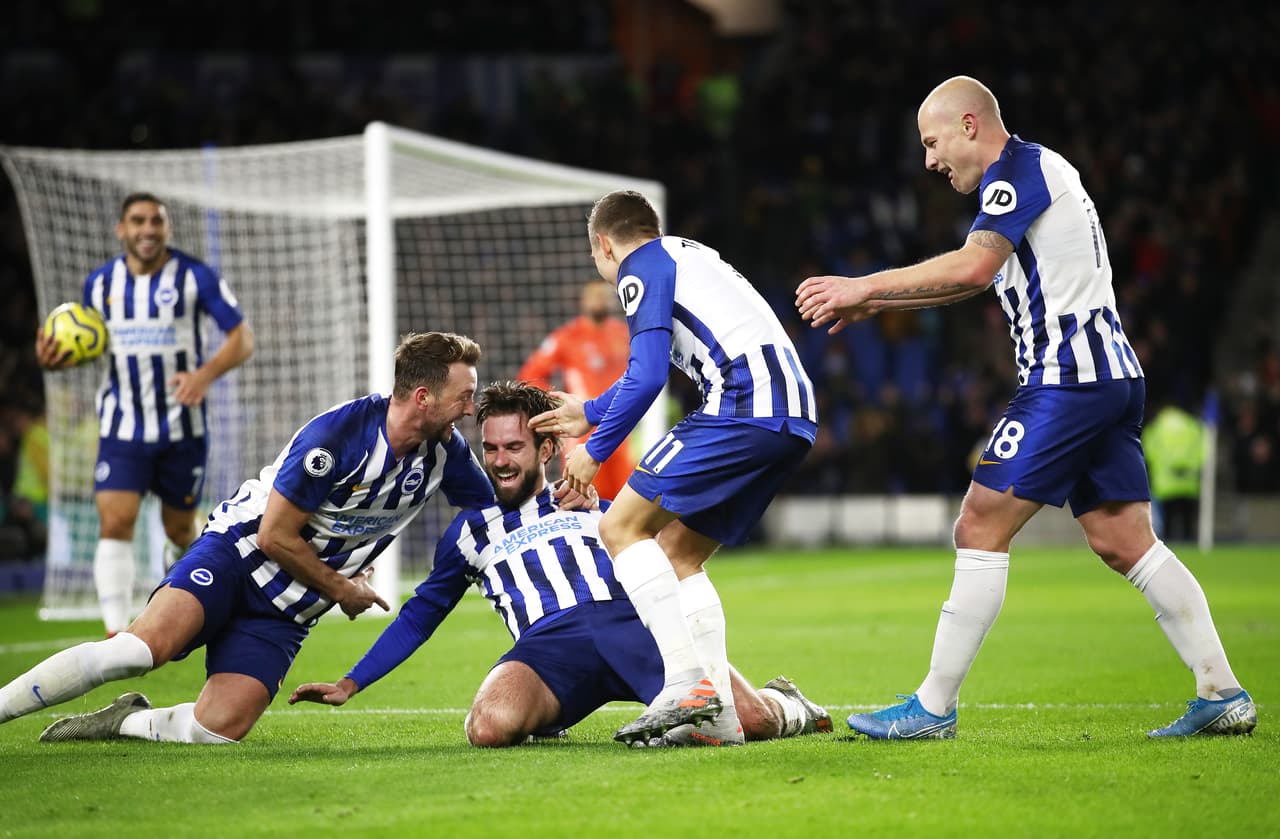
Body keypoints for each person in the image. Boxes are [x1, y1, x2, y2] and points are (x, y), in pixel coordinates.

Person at [796, 76, 1254, 739]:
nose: (929, 160)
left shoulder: (1019, 170)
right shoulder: (1028, 180)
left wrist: (861, 283)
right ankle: (1223, 689)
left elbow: (970, 270)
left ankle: (932, 706)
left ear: (971, 126)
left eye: (933, 141)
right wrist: (878, 304)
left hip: (1067, 379)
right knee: (1124, 539)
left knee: (979, 523)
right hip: (1108, 376)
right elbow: (969, 281)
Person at [0, 331, 495, 744]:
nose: (470, 409)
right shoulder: (336, 439)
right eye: (464, 396)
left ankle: (121, 721)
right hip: (237, 555)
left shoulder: (444, 452)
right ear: (424, 397)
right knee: (134, 653)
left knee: (216, 731)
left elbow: (492, 505)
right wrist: (343, 588)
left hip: (292, 603)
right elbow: (273, 536)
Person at [290, 381, 832, 747]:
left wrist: (602, 508)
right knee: (488, 727)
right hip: (546, 651)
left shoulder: (598, 499)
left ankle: (790, 704)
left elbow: (674, 545)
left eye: (515, 447)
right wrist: (351, 682)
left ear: (546, 450)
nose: (500, 460)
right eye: (491, 448)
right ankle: (550, 715)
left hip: (631, 628)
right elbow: (419, 615)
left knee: (750, 723)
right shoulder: (468, 532)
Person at [529, 190, 818, 745]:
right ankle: (723, 722)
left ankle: (685, 682)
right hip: (790, 415)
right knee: (679, 553)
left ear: (603, 245)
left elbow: (647, 376)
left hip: (744, 405)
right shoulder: (687, 255)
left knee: (619, 527)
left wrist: (595, 447)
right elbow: (647, 367)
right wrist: (587, 412)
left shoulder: (638, 268)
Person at [35, 193, 255, 636]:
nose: (148, 229)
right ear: (122, 229)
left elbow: (242, 338)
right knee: (115, 520)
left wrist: (204, 374)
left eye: (157, 220)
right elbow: (87, 345)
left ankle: (183, 587)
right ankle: (118, 632)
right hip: (122, 425)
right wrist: (56, 360)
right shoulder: (99, 285)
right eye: (138, 220)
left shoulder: (196, 276)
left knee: (179, 529)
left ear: (167, 228)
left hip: (182, 425)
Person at [517, 278, 635, 500]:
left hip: (625, 428)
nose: (600, 301)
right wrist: (558, 404)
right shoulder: (567, 337)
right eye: (595, 296)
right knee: (585, 498)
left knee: (628, 500)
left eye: (605, 296)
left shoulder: (625, 334)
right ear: (584, 301)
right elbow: (530, 375)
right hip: (585, 430)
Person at [1142, 399, 1206, 542]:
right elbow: (1203, 450)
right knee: (1188, 521)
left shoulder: (1157, 425)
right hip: (1189, 481)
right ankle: (1191, 546)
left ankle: (1170, 552)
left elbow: (1147, 449)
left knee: (1169, 522)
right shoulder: (1192, 424)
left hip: (1166, 483)